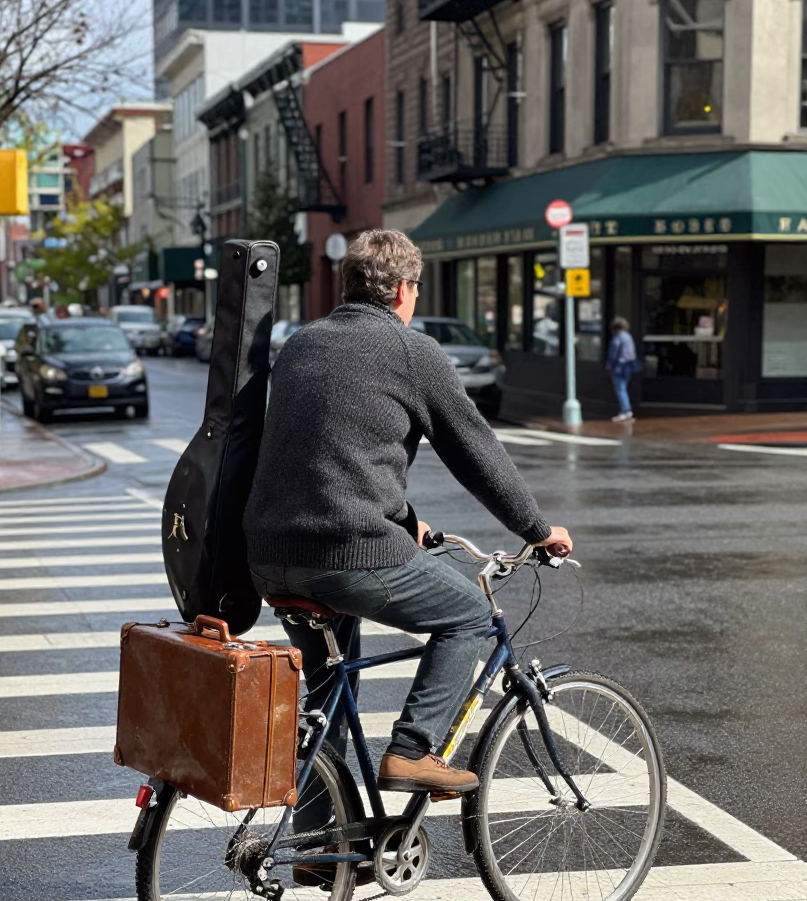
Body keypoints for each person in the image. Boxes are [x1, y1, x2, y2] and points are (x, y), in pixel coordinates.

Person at [243, 229, 572, 813]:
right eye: (415, 287)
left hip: (270, 554)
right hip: (346, 551)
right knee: (470, 615)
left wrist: (405, 521)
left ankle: (319, 849)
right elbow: (476, 451)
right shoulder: (410, 351)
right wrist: (536, 529)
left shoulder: (301, 343)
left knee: (327, 700)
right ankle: (413, 750)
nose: (415, 297)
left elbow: (331, 449)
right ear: (400, 289)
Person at [606, 317, 637, 421]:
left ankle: (625, 410)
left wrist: (609, 364)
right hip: (628, 366)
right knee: (623, 388)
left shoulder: (617, 338)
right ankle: (626, 410)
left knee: (620, 389)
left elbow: (613, 353)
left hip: (619, 367)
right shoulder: (628, 337)